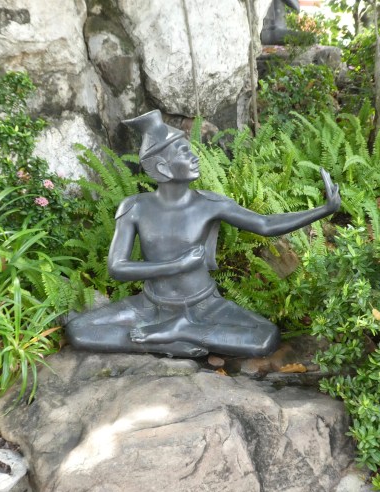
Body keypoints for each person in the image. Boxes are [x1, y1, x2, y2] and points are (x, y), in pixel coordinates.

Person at [66, 110, 341, 358]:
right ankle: (163, 342)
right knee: (79, 330)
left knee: (265, 337)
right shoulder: (135, 207)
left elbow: (265, 224)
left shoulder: (210, 204)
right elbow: (117, 267)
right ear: (162, 167)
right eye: (184, 153)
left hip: (204, 305)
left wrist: (322, 210)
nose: (194, 157)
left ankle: (185, 330)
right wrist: (176, 266)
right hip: (150, 306)